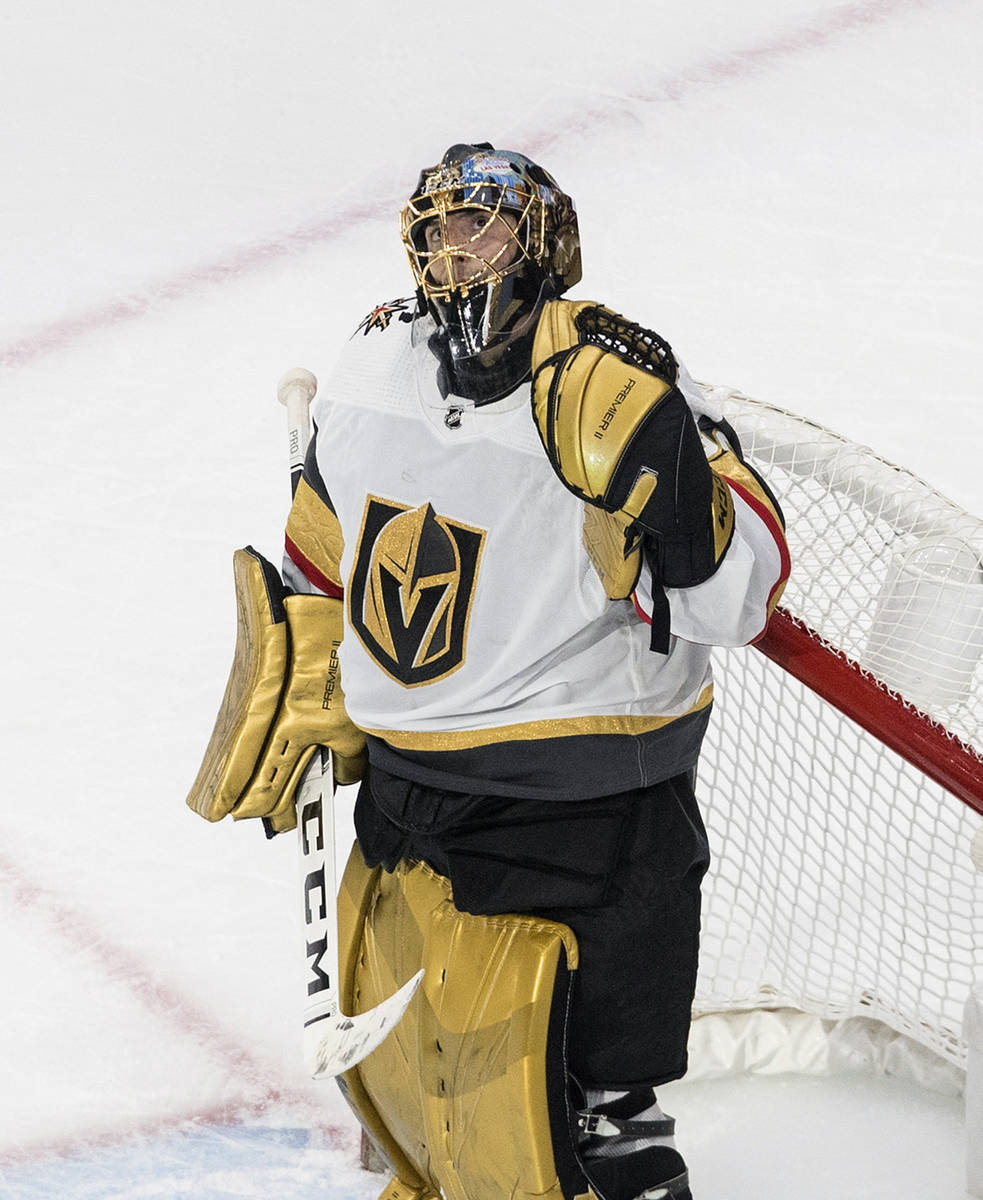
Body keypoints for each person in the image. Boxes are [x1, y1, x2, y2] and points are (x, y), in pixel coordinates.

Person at [189, 143, 789, 1200]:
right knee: (436, 1054)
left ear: (542, 241)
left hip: (583, 798)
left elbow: (729, 601)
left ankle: (618, 1126)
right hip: (410, 783)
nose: (455, 253)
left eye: (484, 228)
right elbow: (324, 545)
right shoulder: (375, 359)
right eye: (438, 231)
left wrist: (677, 488)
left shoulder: (619, 384)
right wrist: (313, 663)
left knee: (603, 1045)